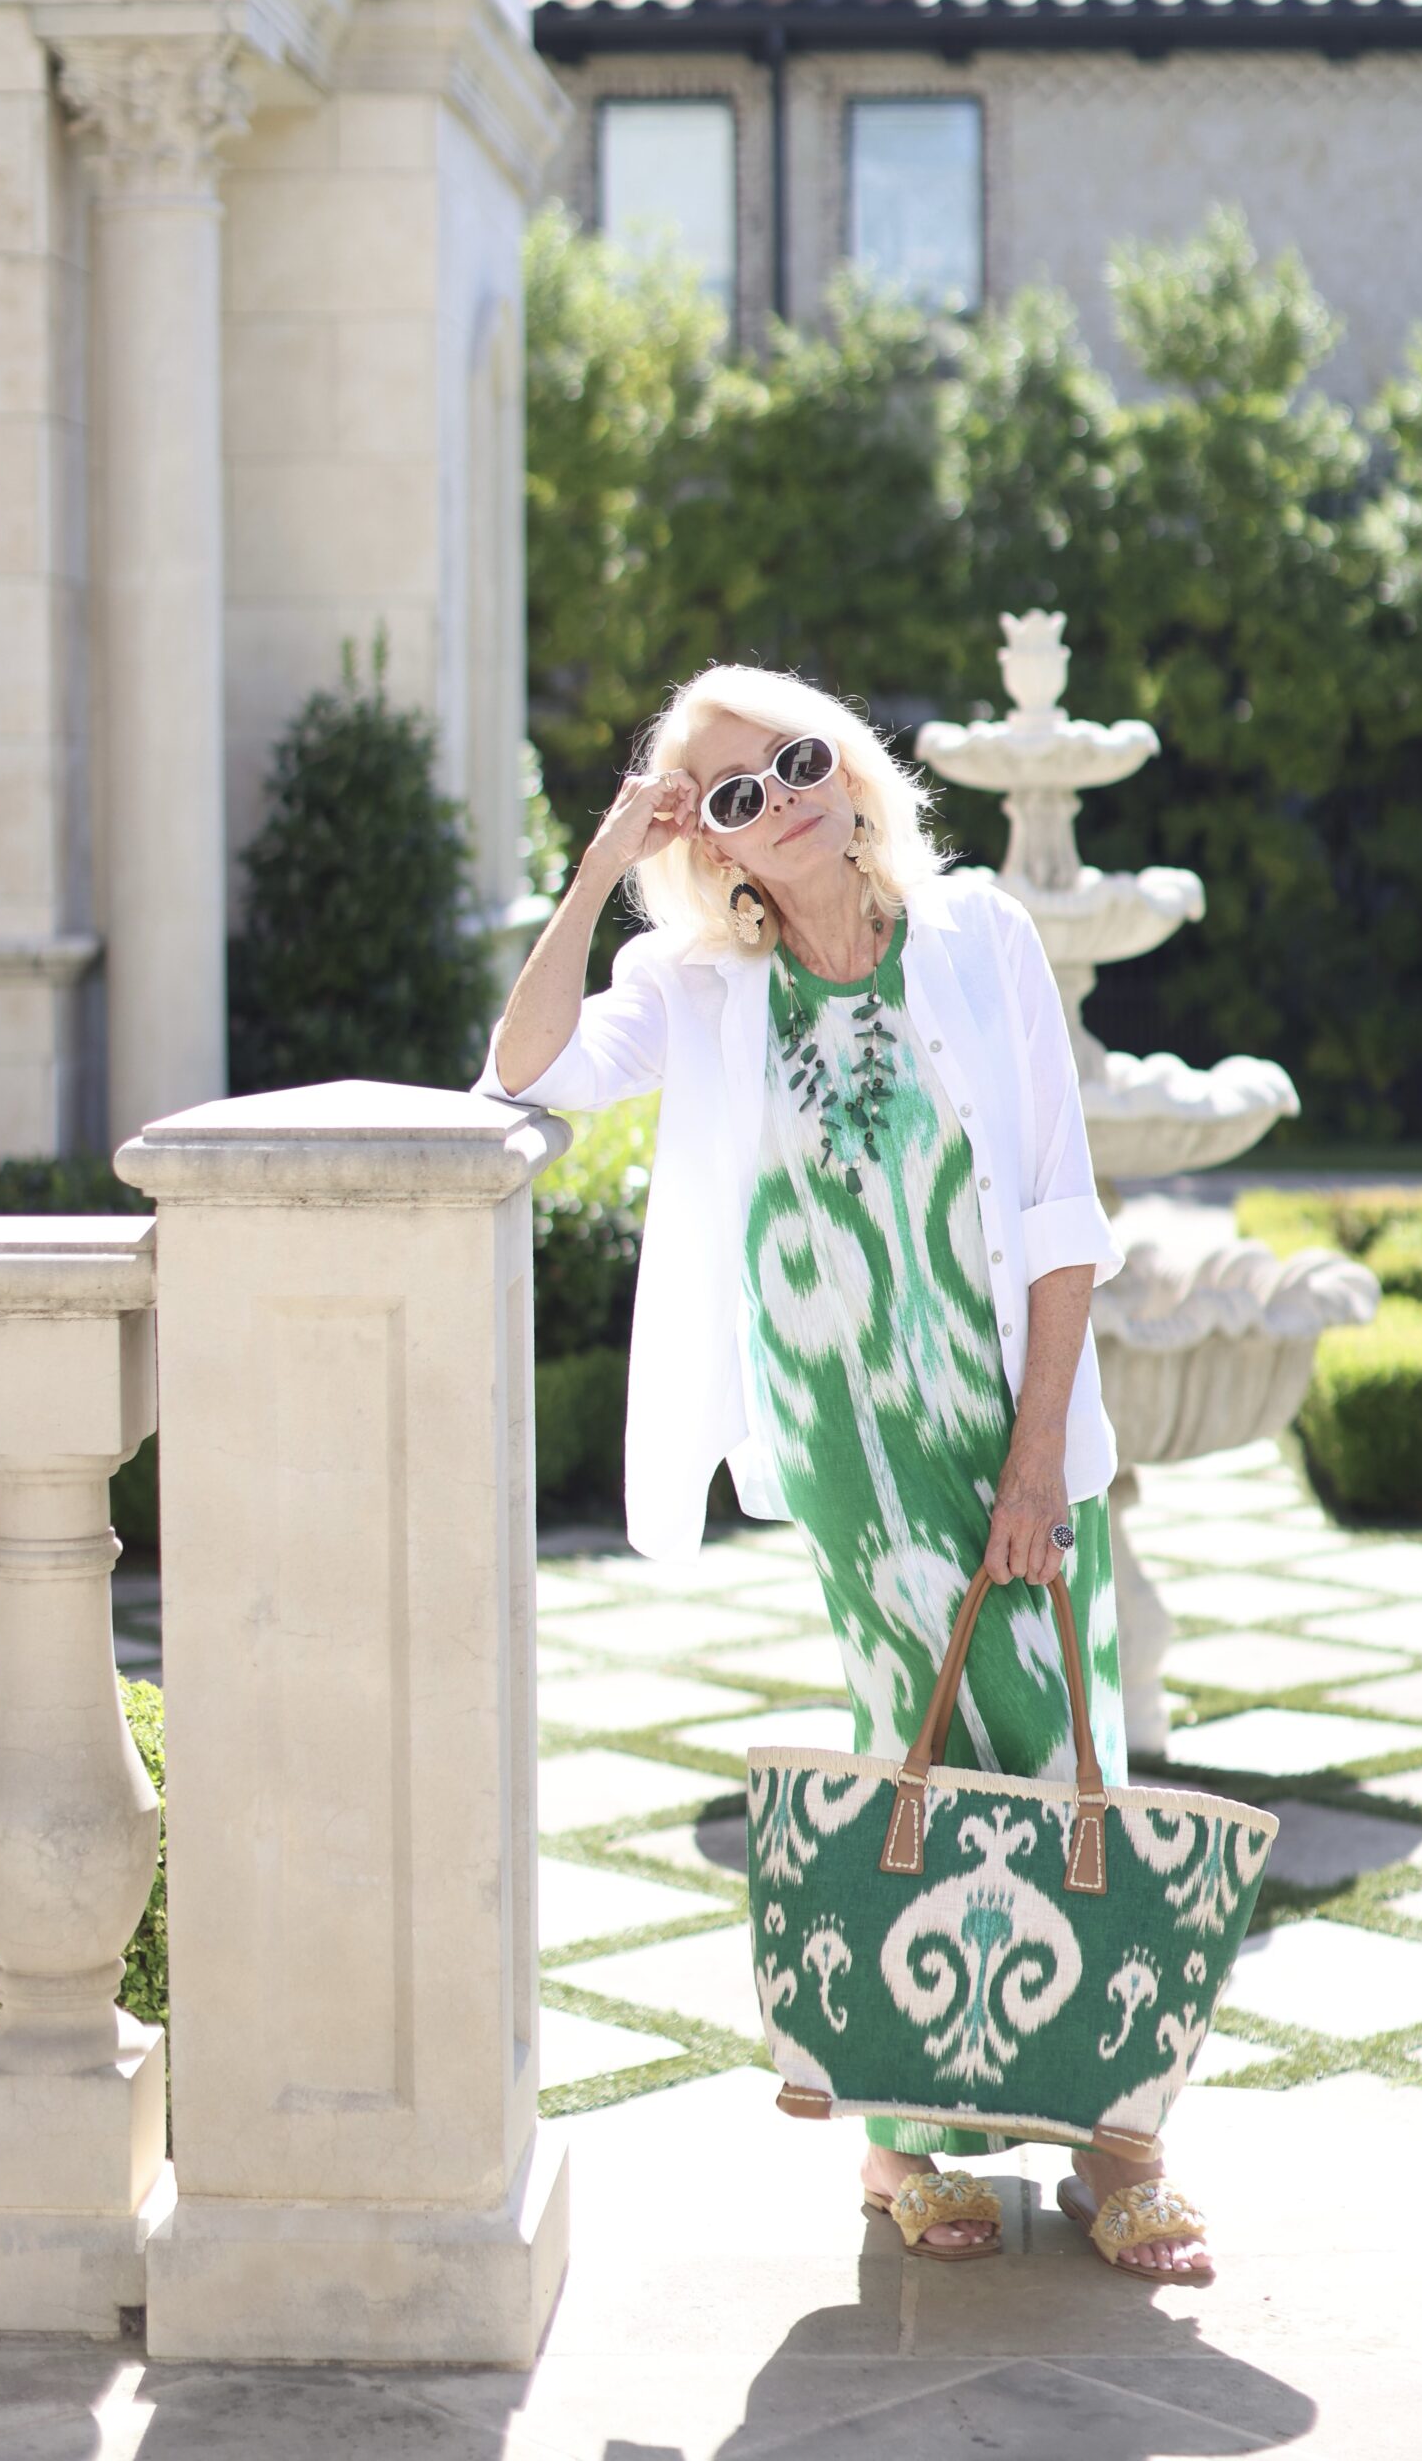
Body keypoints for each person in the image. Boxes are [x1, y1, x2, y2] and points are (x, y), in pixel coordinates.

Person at [478, 665, 1211, 2278]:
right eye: (734, 793)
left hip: (1003, 1421)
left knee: (1066, 1747)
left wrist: (1036, 1464)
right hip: (842, 1443)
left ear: (846, 764)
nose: (782, 795)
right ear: (719, 845)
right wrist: (606, 864)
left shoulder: (979, 939)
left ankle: (1119, 2149)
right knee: (911, 1754)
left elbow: (1054, 1211)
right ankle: (903, 2147)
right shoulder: (701, 983)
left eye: (797, 759)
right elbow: (524, 1068)